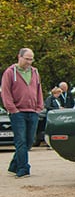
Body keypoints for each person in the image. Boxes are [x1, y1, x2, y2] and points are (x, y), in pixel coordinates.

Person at [1, 48, 44, 178]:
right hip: (18, 112)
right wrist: (12, 109)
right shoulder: (10, 73)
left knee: (29, 141)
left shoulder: (35, 72)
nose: (29, 62)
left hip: (33, 111)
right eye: (27, 59)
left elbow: (38, 90)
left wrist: (39, 107)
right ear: (19, 57)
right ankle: (23, 168)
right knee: (21, 140)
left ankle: (13, 166)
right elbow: (5, 92)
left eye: (31, 59)